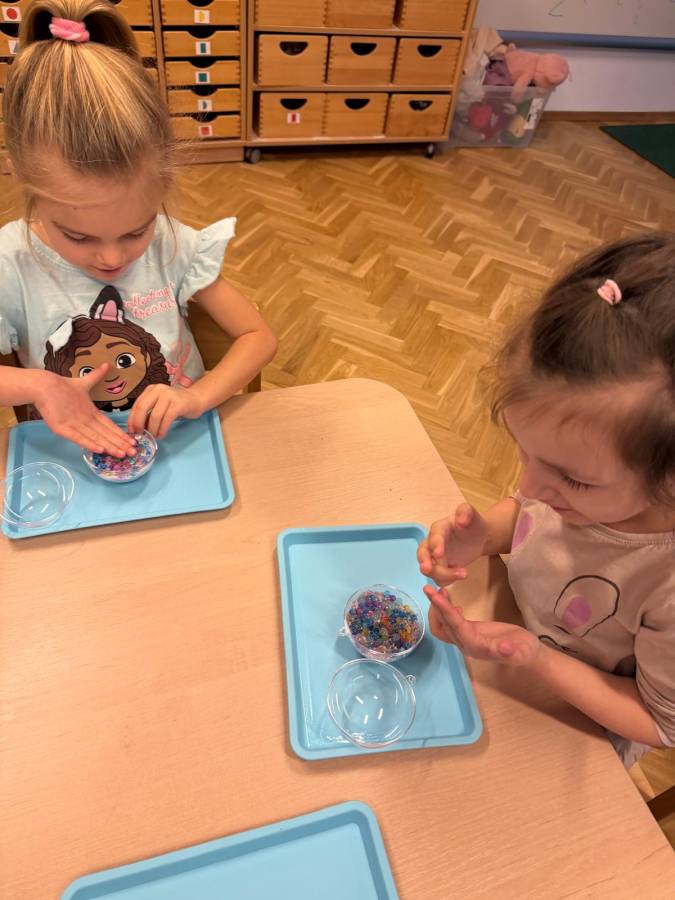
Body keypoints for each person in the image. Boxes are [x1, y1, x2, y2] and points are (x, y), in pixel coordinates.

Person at [418, 233, 675, 765]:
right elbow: (529, 512)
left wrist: (532, 658)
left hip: (577, 730)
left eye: (572, 480)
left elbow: (659, 721)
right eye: (522, 449)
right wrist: (483, 537)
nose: (530, 486)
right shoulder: (580, 474)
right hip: (504, 649)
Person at [0, 0, 276, 457]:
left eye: (135, 232)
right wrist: (37, 385)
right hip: (69, 459)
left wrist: (195, 398)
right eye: (78, 236)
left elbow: (258, 337)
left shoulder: (171, 243)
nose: (113, 258)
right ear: (22, 178)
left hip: (181, 446)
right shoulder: (11, 263)